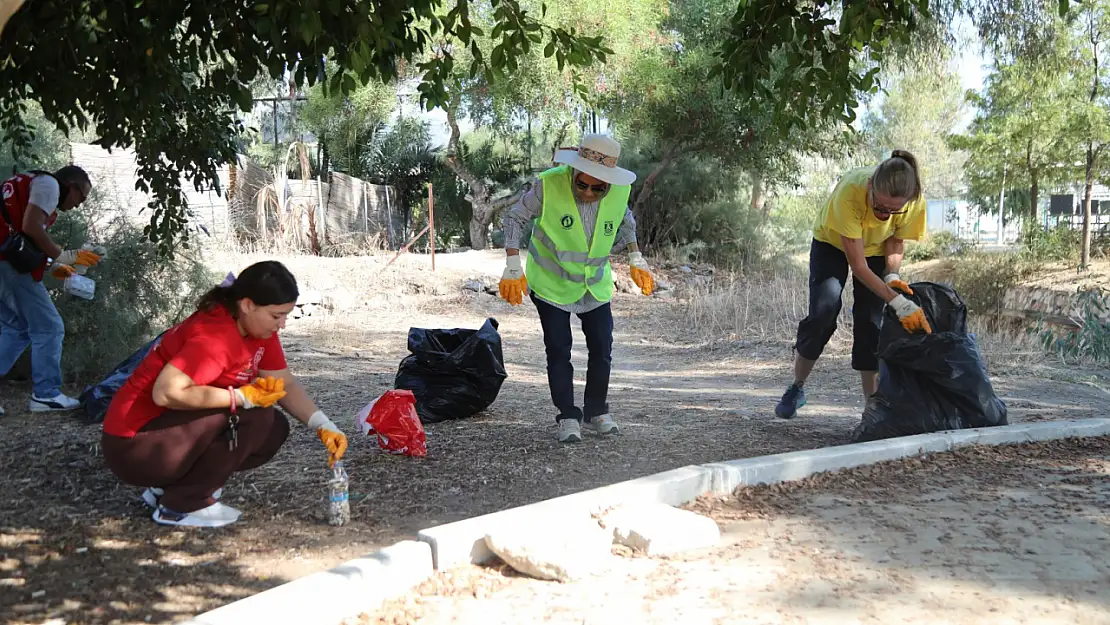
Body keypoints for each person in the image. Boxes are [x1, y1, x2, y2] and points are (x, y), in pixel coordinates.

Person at [100, 261, 349, 527]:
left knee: (274, 427)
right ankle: (181, 505)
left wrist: (323, 425)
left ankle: (169, 490)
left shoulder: (258, 330)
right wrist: (241, 398)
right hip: (133, 447)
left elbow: (284, 383)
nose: (283, 325)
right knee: (255, 417)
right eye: (276, 315)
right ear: (247, 305)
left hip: (163, 436)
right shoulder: (215, 337)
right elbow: (166, 392)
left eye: (285, 315)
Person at [499, 134, 655, 443]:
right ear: (573, 173)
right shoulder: (548, 184)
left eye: (598, 188)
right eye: (581, 184)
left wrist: (636, 256)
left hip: (594, 284)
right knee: (559, 349)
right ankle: (568, 415)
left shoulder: (619, 191)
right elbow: (515, 218)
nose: (588, 192)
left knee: (602, 347)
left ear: (608, 182)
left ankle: (597, 411)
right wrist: (513, 263)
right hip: (551, 283)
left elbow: (626, 223)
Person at [775, 150, 933, 420]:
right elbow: (858, 266)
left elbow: (895, 240)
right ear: (871, 186)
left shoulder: (913, 201)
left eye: (894, 210)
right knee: (823, 313)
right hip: (833, 243)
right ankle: (796, 387)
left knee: (871, 322)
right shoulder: (850, 191)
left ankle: (872, 407)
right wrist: (897, 302)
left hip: (876, 249)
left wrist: (892, 276)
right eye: (880, 207)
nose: (886, 214)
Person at [0, 165, 100, 417]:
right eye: (82, 197)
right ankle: (46, 395)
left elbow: (22, 236)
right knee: (49, 327)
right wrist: (62, 256)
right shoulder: (50, 185)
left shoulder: (27, 181)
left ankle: (46, 393)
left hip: (4, 258)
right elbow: (32, 226)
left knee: (16, 328)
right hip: (6, 261)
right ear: (72, 186)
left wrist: (56, 267)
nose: (79, 204)